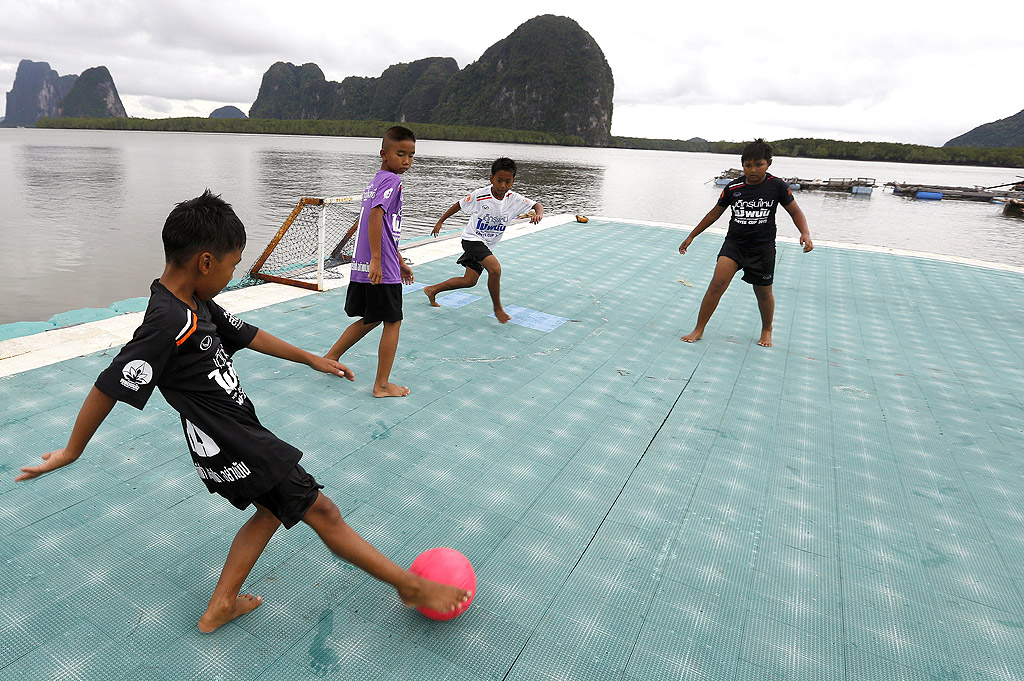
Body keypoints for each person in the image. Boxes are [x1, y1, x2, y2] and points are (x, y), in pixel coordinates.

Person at [15, 190, 471, 633]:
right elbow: (110, 384)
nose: (234, 274)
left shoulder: (196, 301)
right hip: (237, 442)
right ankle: (411, 587)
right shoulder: (168, 322)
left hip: (234, 436)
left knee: (272, 510)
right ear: (206, 262)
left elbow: (248, 333)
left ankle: (221, 605)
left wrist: (312, 357)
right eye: (233, 264)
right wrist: (72, 451)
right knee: (324, 512)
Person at [678, 138, 813, 347]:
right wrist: (692, 236)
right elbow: (714, 213)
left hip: (762, 249)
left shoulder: (777, 186)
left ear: (768, 163)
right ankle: (699, 329)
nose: (753, 170)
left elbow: (795, 211)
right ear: (742, 165)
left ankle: (767, 329)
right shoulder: (734, 188)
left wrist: (805, 233)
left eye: (758, 164)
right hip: (734, 245)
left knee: (763, 292)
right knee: (716, 284)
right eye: (748, 165)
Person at [324, 126, 416, 397]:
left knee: (372, 318)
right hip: (379, 267)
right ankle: (382, 385)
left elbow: (385, 228)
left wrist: (398, 259)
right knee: (393, 321)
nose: (407, 161)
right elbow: (376, 216)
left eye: (411, 156)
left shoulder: (376, 180)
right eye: (401, 154)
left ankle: (330, 357)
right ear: (384, 154)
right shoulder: (391, 182)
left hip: (372, 263)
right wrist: (379, 260)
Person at [423, 157, 543, 323]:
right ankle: (498, 308)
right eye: (499, 180)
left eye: (507, 182)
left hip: (487, 245)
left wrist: (538, 214)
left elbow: (537, 205)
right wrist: (441, 221)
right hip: (471, 239)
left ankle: (432, 290)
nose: (502, 186)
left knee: (469, 281)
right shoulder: (480, 195)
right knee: (495, 269)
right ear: (491, 178)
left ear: (513, 181)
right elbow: (458, 204)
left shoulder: (514, 199)